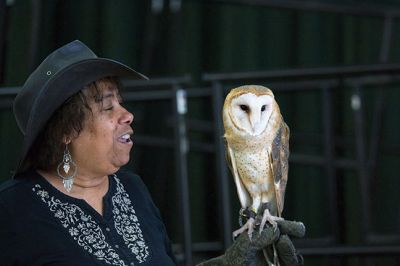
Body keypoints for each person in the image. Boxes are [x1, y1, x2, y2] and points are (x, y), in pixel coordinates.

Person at [0, 40, 304, 265]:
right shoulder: (13, 208)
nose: (126, 114)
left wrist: (231, 263)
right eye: (108, 107)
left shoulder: (132, 189)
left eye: (121, 102)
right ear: (65, 131)